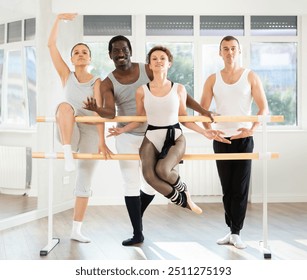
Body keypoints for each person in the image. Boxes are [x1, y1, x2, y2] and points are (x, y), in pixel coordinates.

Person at [84, 35, 216, 246]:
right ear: (109, 55)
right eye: (115, 51)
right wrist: (96, 109)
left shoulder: (148, 68)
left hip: (156, 135)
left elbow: (179, 95)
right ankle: (138, 232)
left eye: (124, 49)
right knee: (131, 184)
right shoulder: (108, 81)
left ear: (130, 51)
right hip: (127, 136)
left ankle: (139, 216)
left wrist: (202, 110)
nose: (120, 54)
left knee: (152, 183)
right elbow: (109, 112)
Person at [107, 45, 220, 215]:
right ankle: (181, 199)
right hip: (152, 135)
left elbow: (183, 118)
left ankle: (185, 191)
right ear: (150, 66)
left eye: (162, 58)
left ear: (169, 64)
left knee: (162, 170)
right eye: (154, 59)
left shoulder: (179, 89)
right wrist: (122, 131)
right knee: (149, 176)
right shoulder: (142, 91)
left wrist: (204, 132)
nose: (158, 61)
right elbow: (140, 119)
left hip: (175, 136)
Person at [200, 35, 269, 249]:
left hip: (243, 139)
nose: (229, 52)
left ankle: (236, 232)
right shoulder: (212, 79)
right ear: (220, 53)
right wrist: (210, 132)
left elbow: (263, 108)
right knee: (227, 188)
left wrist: (251, 130)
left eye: (233, 48)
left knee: (240, 188)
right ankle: (230, 230)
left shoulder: (250, 76)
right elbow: (202, 111)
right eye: (225, 49)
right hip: (222, 139)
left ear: (239, 52)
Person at [48, 13, 111, 243]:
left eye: (85, 52)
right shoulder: (67, 75)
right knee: (64, 106)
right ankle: (66, 152)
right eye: (76, 52)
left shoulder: (97, 81)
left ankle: (76, 230)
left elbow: (98, 113)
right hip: (69, 132)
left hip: (90, 133)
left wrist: (102, 141)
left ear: (90, 58)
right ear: (72, 59)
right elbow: (51, 45)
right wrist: (58, 19)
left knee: (84, 182)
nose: (81, 54)